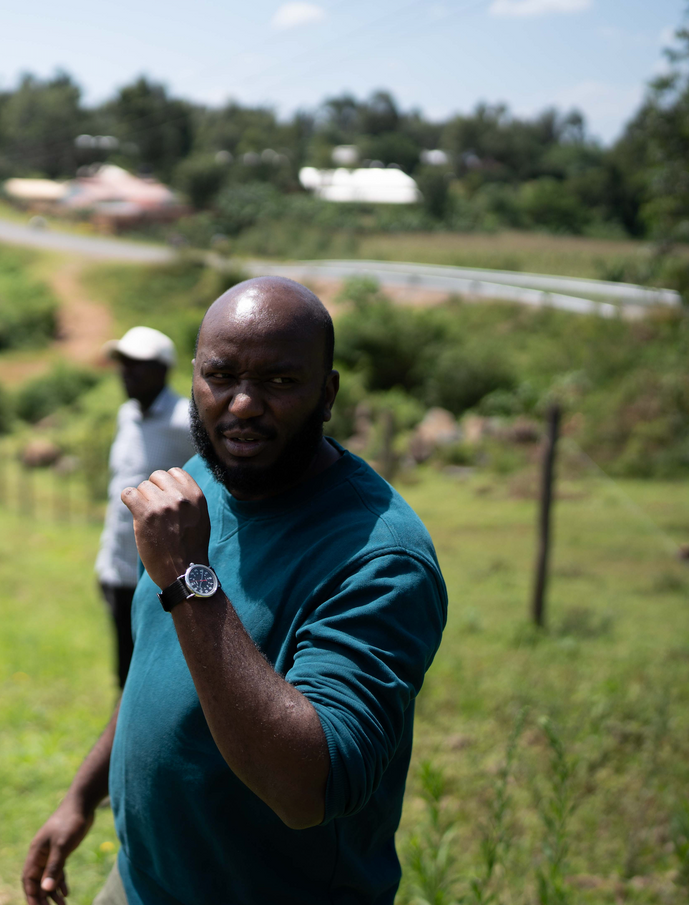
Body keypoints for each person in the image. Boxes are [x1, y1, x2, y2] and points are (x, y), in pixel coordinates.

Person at [22, 277, 448, 905]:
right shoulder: (204, 477)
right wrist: (82, 796)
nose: (243, 405)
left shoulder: (380, 559)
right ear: (194, 378)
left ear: (326, 394)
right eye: (221, 376)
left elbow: (306, 789)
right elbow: (158, 667)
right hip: (142, 880)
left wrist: (190, 580)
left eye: (279, 382)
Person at [96, 326, 197, 688]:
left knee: (154, 675)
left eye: (138, 364)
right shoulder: (127, 415)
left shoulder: (185, 421)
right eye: (123, 363)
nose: (127, 372)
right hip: (116, 566)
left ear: (163, 370)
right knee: (124, 672)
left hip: (157, 574)